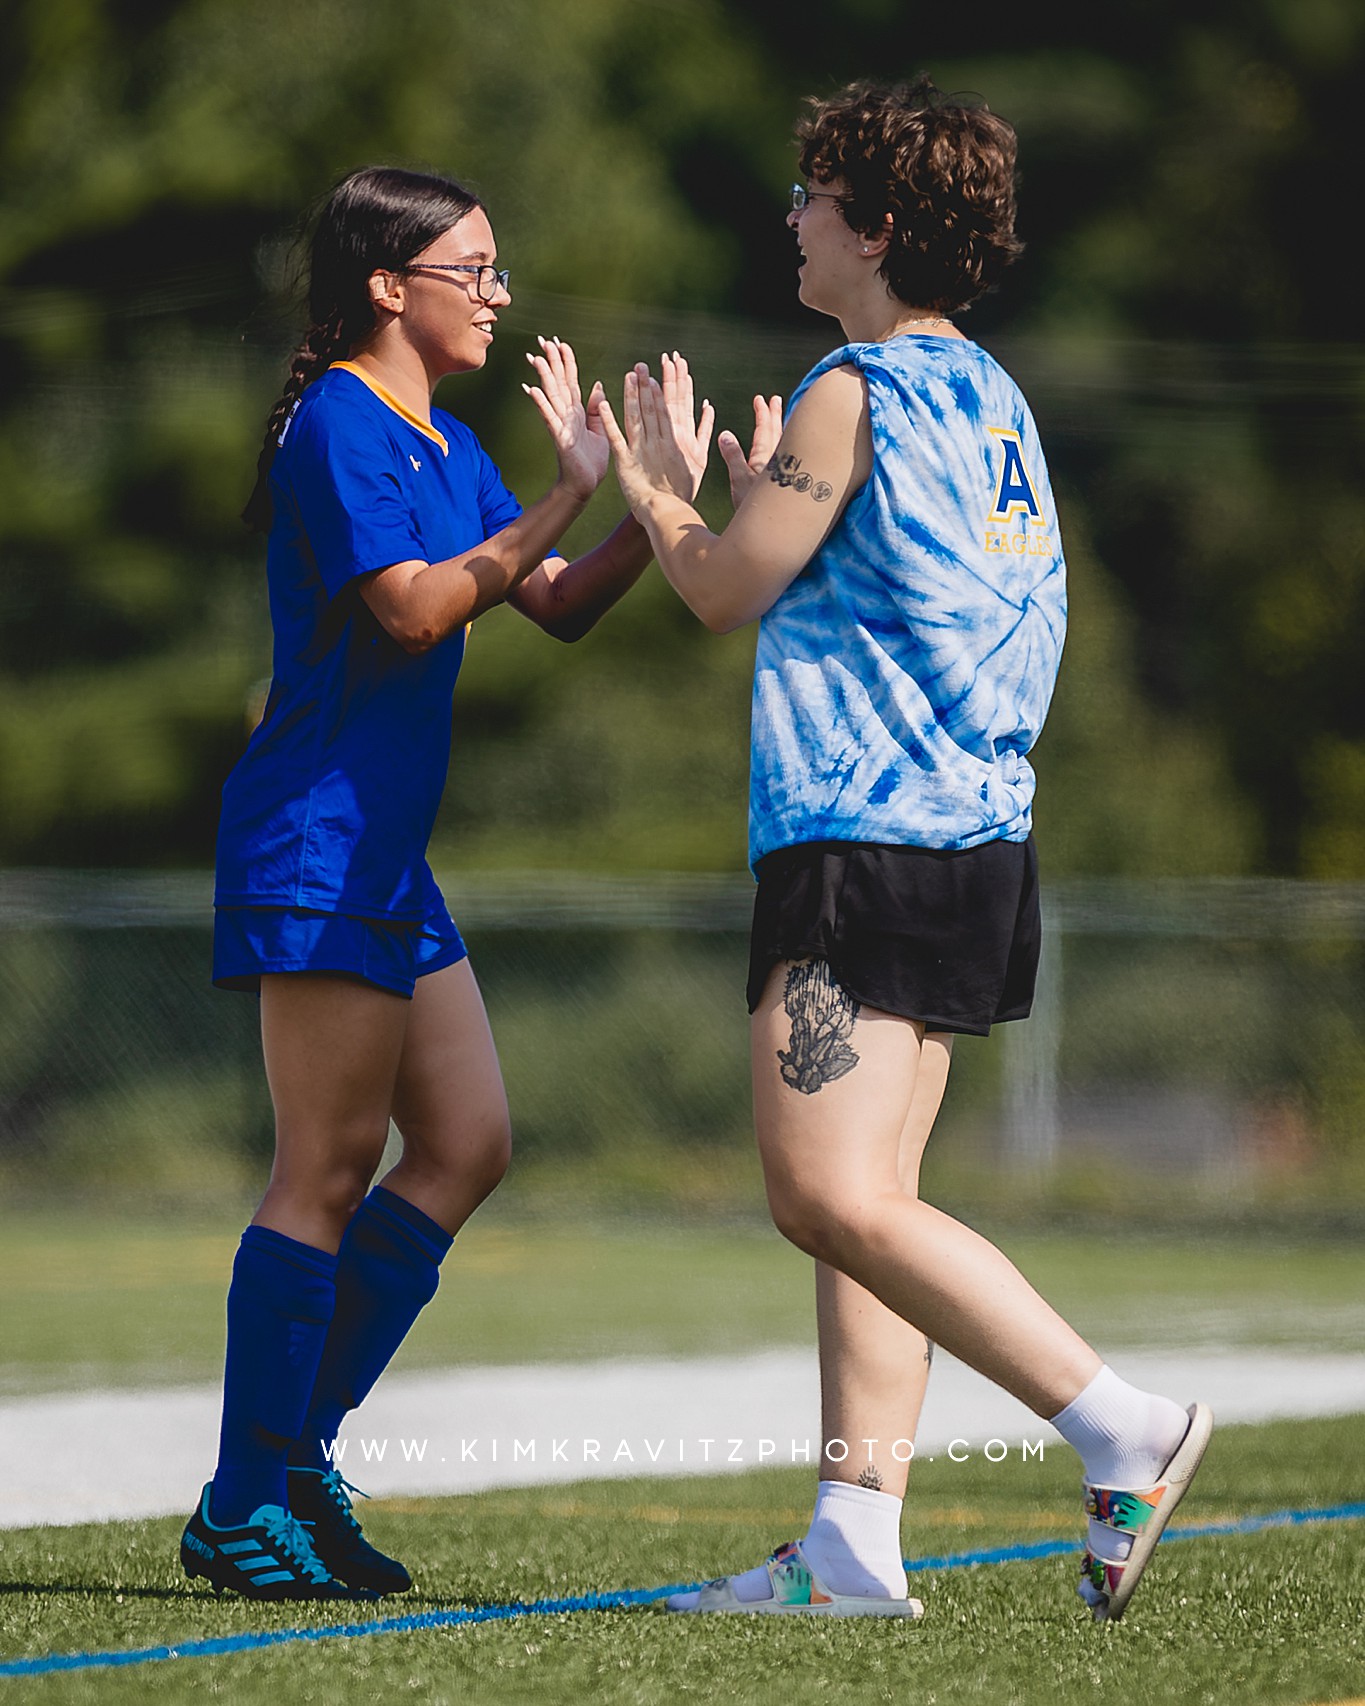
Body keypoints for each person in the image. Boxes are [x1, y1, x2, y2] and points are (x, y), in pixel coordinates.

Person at [599, 77, 1211, 1625]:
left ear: (871, 228)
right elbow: (890, 580)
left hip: (857, 835)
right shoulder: (993, 396)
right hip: (975, 841)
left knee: (826, 1197)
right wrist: (759, 511)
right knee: (875, 1194)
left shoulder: (845, 388)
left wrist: (657, 484)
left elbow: (727, 589)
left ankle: (1117, 1421)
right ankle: (850, 1541)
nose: (792, 219)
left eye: (810, 197)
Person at [180, 165, 706, 1601]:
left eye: (495, 266)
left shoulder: (436, 435)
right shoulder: (339, 422)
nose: (499, 293)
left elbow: (555, 606)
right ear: (384, 285)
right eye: (472, 269)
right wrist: (558, 493)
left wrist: (652, 505)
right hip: (319, 839)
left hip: (385, 858)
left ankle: (291, 1459)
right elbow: (415, 610)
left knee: (467, 1142)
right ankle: (242, 1501)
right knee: (325, 1171)